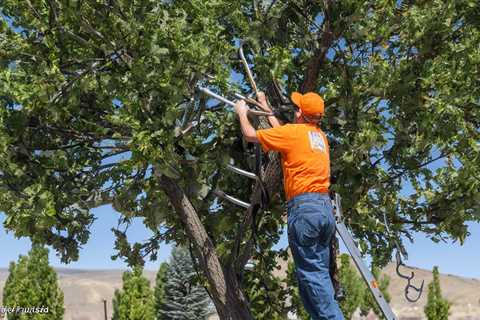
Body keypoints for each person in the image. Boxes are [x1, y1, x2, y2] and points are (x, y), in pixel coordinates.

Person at [234, 91, 344, 320]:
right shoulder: (319, 137)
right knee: (314, 279)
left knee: (312, 277)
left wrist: (242, 113)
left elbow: (250, 135)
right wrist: (265, 105)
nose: (294, 111)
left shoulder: (294, 133)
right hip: (323, 210)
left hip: (305, 211)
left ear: (301, 113)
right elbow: (282, 133)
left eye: (296, 108)